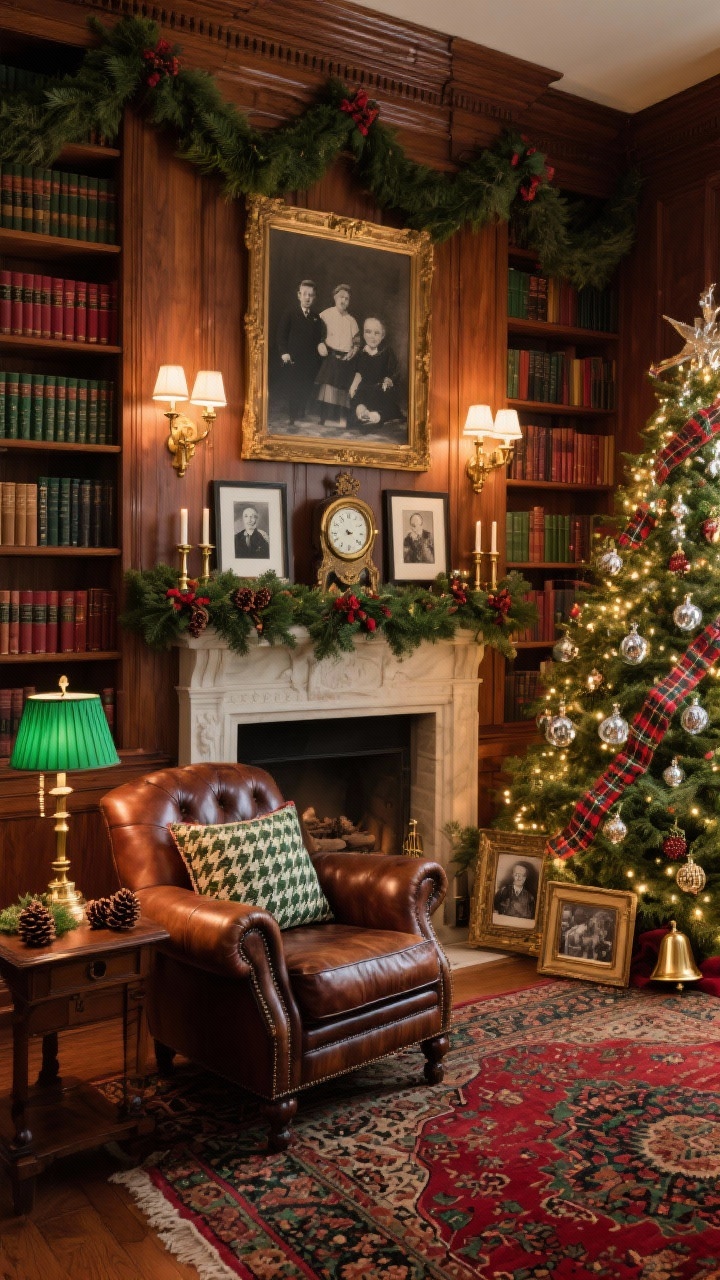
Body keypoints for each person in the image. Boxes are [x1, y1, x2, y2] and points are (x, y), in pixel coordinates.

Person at [276, 279, 325, 424]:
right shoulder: (290, 313)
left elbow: (318, 338)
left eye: (311, 295)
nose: (307, 298)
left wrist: (320, 349)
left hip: (310, 360)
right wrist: (284, 352)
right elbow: (281, 335)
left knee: (307, 385)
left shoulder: (316, 317)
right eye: (305, 294)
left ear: (314, 297)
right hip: (293, 358)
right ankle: (292, 415)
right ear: (299, 295)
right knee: (294, 386)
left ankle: (302, 409)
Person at [315, 284, 361, 423]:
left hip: (346, 358)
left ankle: (340, 417)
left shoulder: (351, 320)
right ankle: (323, 417)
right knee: (328, 386)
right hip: (330, 355)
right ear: (335, 297)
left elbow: (357, 342)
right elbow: (316, 334)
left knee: (342, 388)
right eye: (341, 297)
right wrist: (320, 344)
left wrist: (353, 351)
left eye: (347, 299)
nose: (343, 301)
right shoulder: (325, 314)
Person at [348, 316, 404, 427]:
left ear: (382, 336)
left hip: (380, 388)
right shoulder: (361, 353)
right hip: (364, 389)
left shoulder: (386, 352)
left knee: (383, 404)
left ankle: (376, 416)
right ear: (363, 334)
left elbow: (394, 370)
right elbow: (358, 373)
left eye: (376, 333)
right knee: (357, 402)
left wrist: (389, 380)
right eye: (368, 332)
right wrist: (353, 385)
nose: (372, 337)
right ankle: (363, 413)